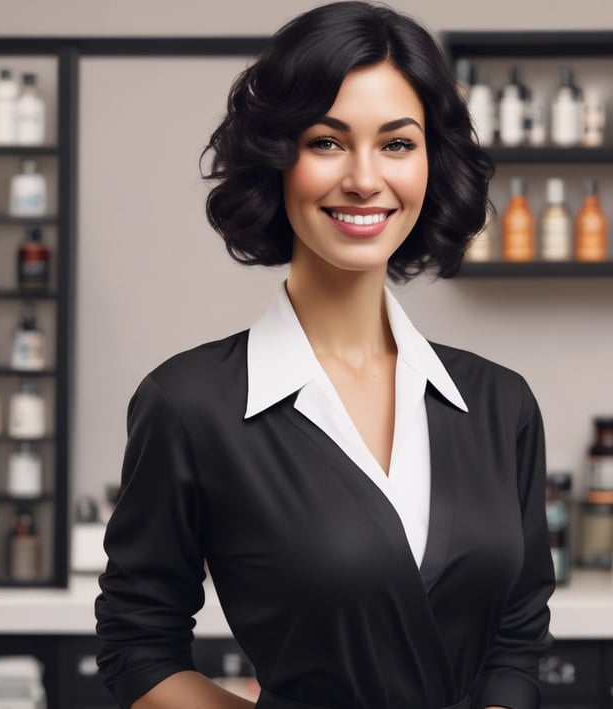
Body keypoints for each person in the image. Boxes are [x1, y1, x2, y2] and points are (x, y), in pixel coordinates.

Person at [95, 2, 555, 709]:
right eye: (327, 141)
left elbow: (517, 637)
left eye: (397, 144)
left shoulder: (501, 404)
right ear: (278, 159)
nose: (365, 179)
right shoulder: (191, 404)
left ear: (433, 161)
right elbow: (137, 643)